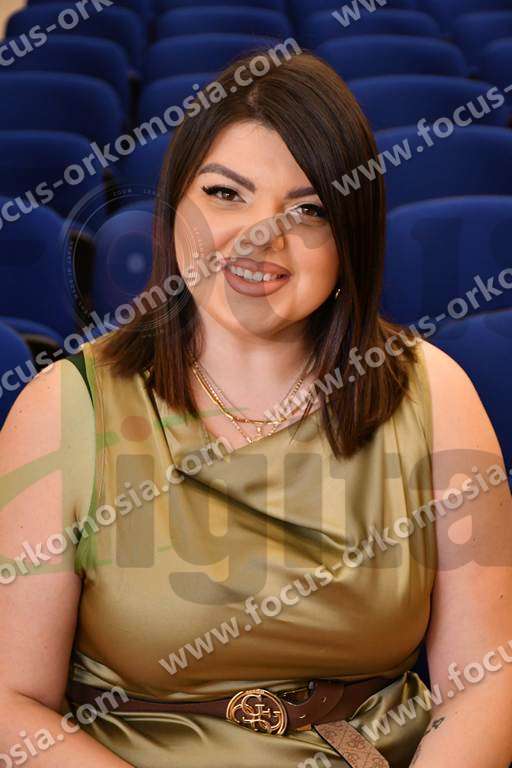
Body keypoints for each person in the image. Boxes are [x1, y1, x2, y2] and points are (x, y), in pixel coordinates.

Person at [1, 49, 512, 768]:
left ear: (349, 237)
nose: (259, 237)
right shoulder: (64, 405)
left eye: (308, 210)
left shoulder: (436, 392)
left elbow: (482, 682)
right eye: (225, 194)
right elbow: (12, 703)